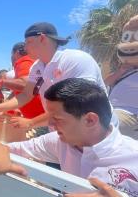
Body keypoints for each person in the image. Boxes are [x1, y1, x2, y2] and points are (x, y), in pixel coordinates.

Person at [9, 78, 138, 196]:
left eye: (57, 119)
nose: (50, 124)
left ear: (90, 120)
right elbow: (15, 149)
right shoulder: (60, 141)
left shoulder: (133, 157)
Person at [0, 22, 118, 129]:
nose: (25, 48)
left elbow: (76, 106)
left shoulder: (75, 60)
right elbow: (26, 94)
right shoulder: (37, 67)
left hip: (96, 133)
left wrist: (31, 122)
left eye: (28, 42)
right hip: (62, 130)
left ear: (42, 38)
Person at [105, 15, 138, 140]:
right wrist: (121, 71)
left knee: (103, 128)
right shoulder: (124, 70)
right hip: (110, 109)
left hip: (130, 113)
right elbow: (107, 82)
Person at [0, 42, 44, 119]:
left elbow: (26, 85)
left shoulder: (24, 61)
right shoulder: (32, 62)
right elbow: (18, 91)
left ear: (16, 53)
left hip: (40, 120)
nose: (11, 58)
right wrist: (4, 103)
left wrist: (2, 83)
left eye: (11, 54)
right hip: (39, 118)